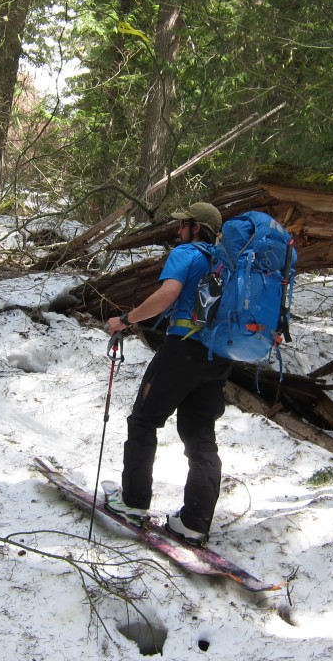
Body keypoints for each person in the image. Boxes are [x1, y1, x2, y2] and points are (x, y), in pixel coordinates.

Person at [104, 202, 231, 545]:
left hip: (182, 351)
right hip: (218, 357)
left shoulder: (187, 253)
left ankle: (132, 502)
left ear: (196, 228)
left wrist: (127, 320)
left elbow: (168, 294)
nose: (178, 231)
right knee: (201, 436)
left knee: (144, 420)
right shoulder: (228, 262)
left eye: (183, 225)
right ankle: (194, 522)